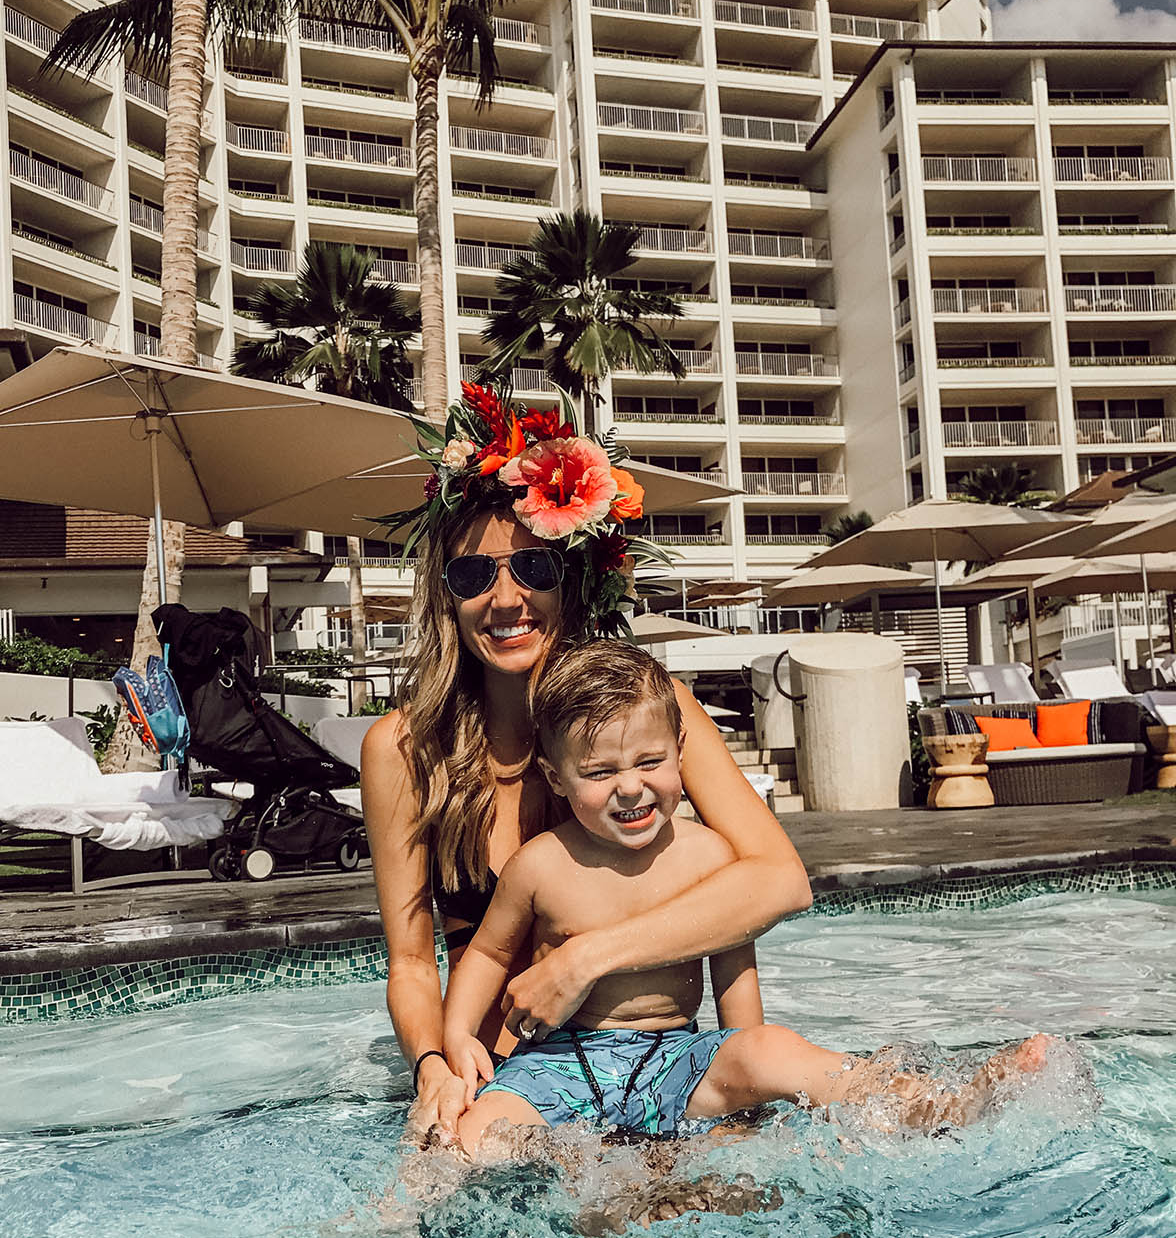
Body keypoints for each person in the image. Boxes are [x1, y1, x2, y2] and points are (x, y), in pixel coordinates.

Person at [361, 382, 814, 1145]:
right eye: (473, 577)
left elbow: (780, 879)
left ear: (573, 579)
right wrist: (434, 1063)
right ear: (446, 596)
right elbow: (410, 965)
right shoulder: (405, 751)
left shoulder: (655, 708)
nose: (504, 599)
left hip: (659, 1059)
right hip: (508, 1079)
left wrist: (586, 960)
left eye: (533, 570)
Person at [443, 640, 1052, 1157]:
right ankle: (532, 1178)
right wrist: (459, 1038)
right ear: (556, 778)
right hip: (560, 1063)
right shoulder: (541, 864)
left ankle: (940, 1103)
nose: (630, 787)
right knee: (478, 1135)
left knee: (774, 1051)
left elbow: (736, 979)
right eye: (600, 773)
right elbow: (489, 955)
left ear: (681, 753)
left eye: (649, 761)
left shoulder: (710, 855)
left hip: (673, 1056)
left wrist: (746, 1092)